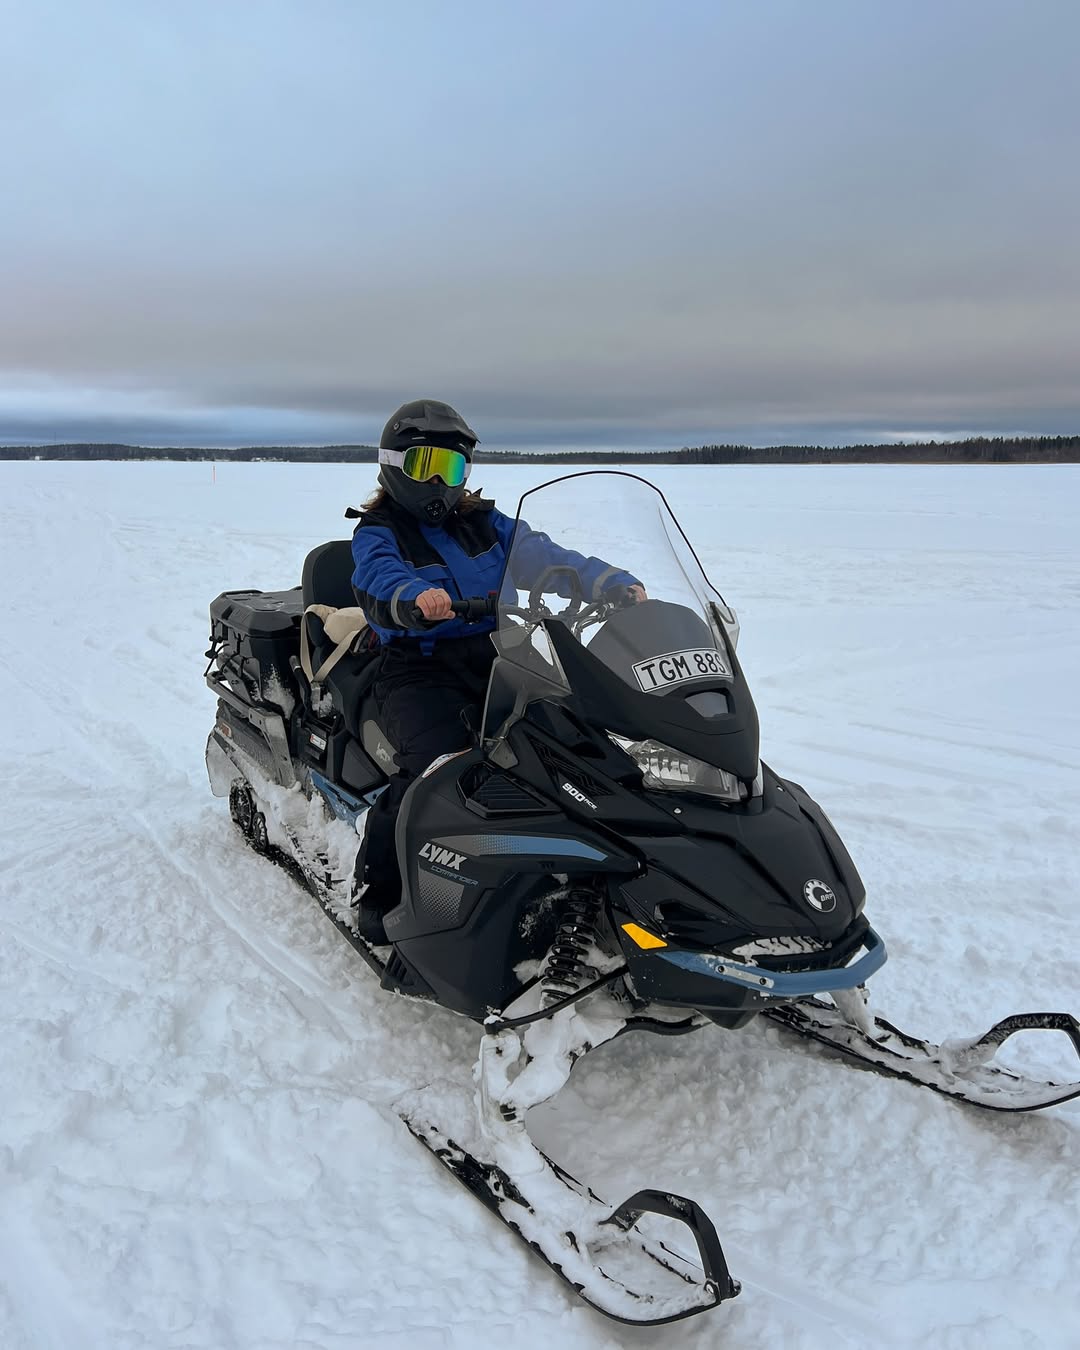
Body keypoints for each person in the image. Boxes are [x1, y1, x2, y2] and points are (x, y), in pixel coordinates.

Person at [349, 398, 644, 941]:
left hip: (499, 651)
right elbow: (378, 578)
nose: (440, 482)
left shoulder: (485, 524)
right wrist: (414, 598)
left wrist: (608, 582)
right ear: (394, 467)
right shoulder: (378, 531)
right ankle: (379, 887)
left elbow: (548, 558)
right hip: (417, 665)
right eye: (425, 467)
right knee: (436, 770)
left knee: (576, 740)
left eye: (452, 467)